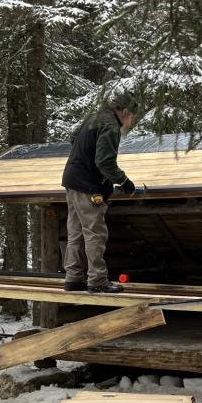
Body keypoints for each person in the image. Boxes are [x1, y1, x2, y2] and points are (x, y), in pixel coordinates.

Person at [61, 91, 144, 294]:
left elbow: (73, 139)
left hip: (71, 181)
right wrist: (125, 182)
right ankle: (97, 280)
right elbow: (105, 161)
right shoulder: (110, 125)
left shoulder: (94, 117)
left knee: (76, 233)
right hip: (88, 186)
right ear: (124, 112)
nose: (130, 122)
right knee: (95, 233)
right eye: (131, 116)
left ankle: (73, 278)